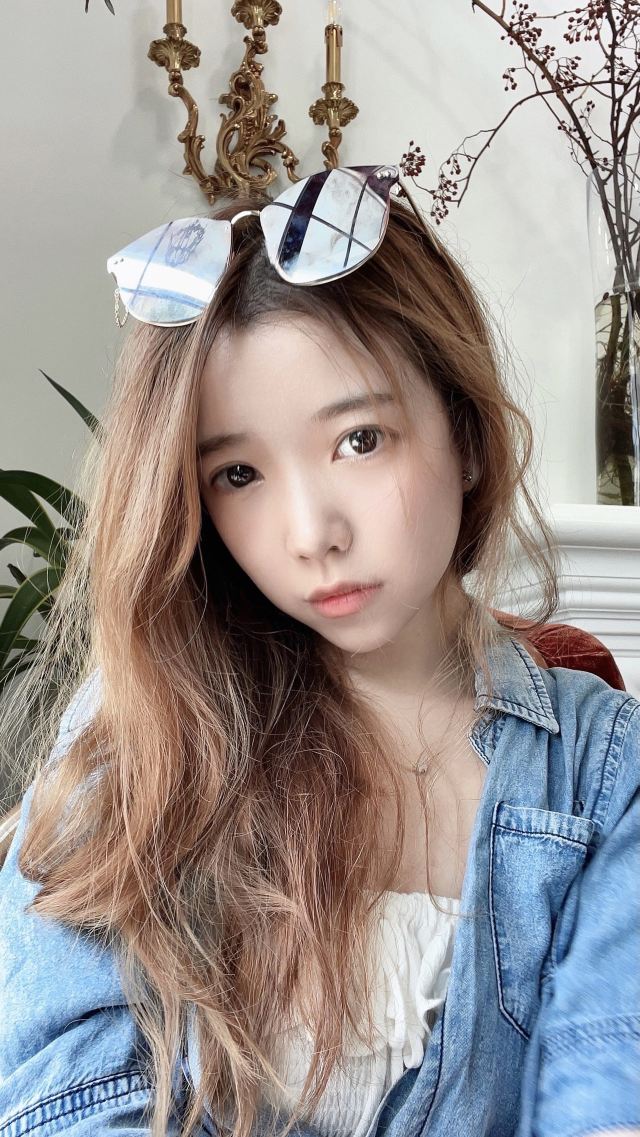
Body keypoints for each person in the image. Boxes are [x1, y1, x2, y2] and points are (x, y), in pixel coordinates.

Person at [0, 165, 638, 1137]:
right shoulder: (141, 732)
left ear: (464, 433)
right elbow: (65, 1108)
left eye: (360, 440)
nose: (311, 534)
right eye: (238, 473)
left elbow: (605, 1098)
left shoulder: (601, 771)